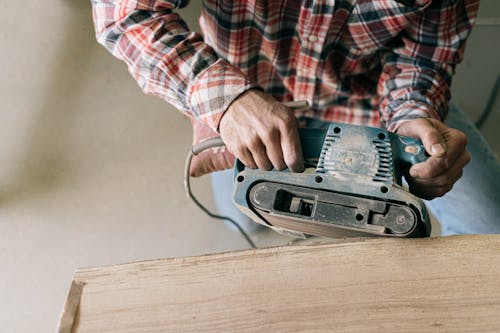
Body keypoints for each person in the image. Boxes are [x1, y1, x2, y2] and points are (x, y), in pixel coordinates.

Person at [91, 0, 500, 235]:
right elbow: (122, 12)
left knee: (489, 226)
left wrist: (415, 113)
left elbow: (422, 59)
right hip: (242, 94)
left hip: (368, 95)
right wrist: (223, 99)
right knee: (241, 221)